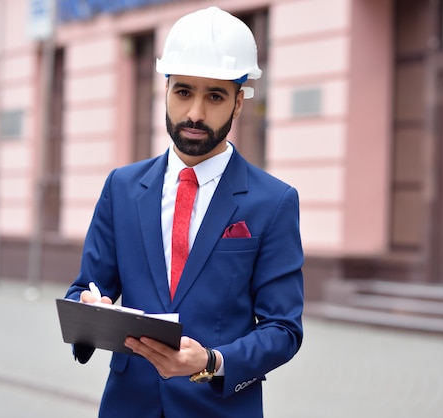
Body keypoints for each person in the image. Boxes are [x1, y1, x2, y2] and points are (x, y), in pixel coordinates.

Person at [64, 6, 304, 418]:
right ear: (166, 90)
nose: (195, 113)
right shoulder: (122, 188)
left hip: (219, 407)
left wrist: (211, 362)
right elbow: (85, 289)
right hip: (127, 406)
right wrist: (91, 311)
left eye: (214, 96)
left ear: (239, 102)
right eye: (184, 92)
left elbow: (284, 329)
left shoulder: (274, 201)